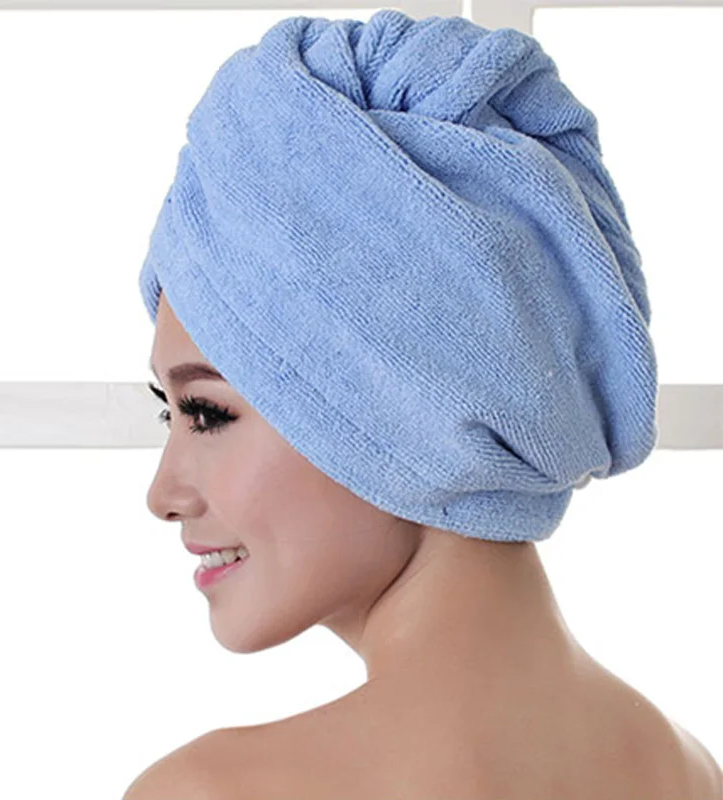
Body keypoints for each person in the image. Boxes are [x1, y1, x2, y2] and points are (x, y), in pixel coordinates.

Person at [124, 10, 722, 799]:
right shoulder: (684, 767)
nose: (163, 495)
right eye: (170, 415)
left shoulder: (217, 790)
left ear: (406, 403)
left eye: (208, 414)